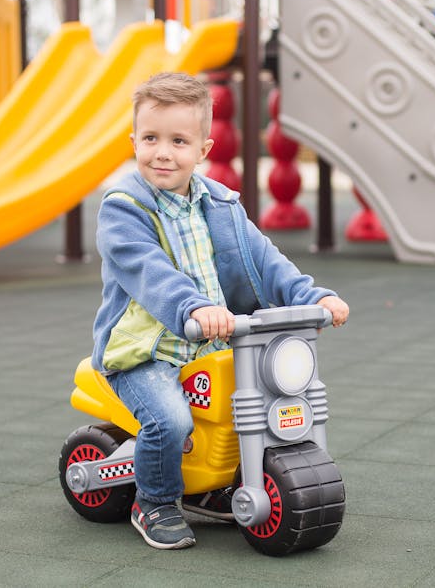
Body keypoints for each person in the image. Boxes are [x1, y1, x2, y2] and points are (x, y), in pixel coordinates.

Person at [90, 72, 350, 550]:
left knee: (252, 409)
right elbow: (148, 271)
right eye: (150, 139)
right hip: (145, 353)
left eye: (178, 141)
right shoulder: (123, 209)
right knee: (171, 421)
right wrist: (195, 306)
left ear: (204, 150)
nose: (163, 152)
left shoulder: (222, 204)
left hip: (212, 344)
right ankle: (154, 503)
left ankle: (212, 487)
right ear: (133, 141)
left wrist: (311, 295)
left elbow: (266, 260)